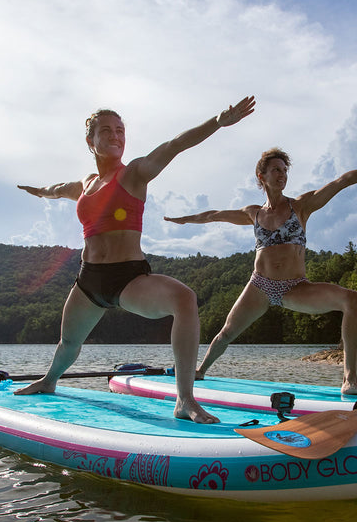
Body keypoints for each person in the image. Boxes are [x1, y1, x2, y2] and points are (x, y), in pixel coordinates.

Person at [15, 96, 256, 421]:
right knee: (68, 343)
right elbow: (57, 189)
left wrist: (217, 122)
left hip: (128, 278)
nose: (115, 136)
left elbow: (174, 145)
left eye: (120, 130)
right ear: (90, 141)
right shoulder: (85, 184)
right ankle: (49, 381)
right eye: (106, 130)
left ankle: (185, 399)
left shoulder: (135, 173)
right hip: (89, 280)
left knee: (184, 299)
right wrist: (40, 191)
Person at [164, 142, 357, 397]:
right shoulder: (253, 213)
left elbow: (342, 181)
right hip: (260, 285)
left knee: (352, 299)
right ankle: (200, 370)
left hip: (295, 288)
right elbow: (213, 215)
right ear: (261, 176)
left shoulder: (302, 205)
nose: (282, 174)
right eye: (276, 169)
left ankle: (350, 380)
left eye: (285, 170)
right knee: (226, 334)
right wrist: (183, 220)